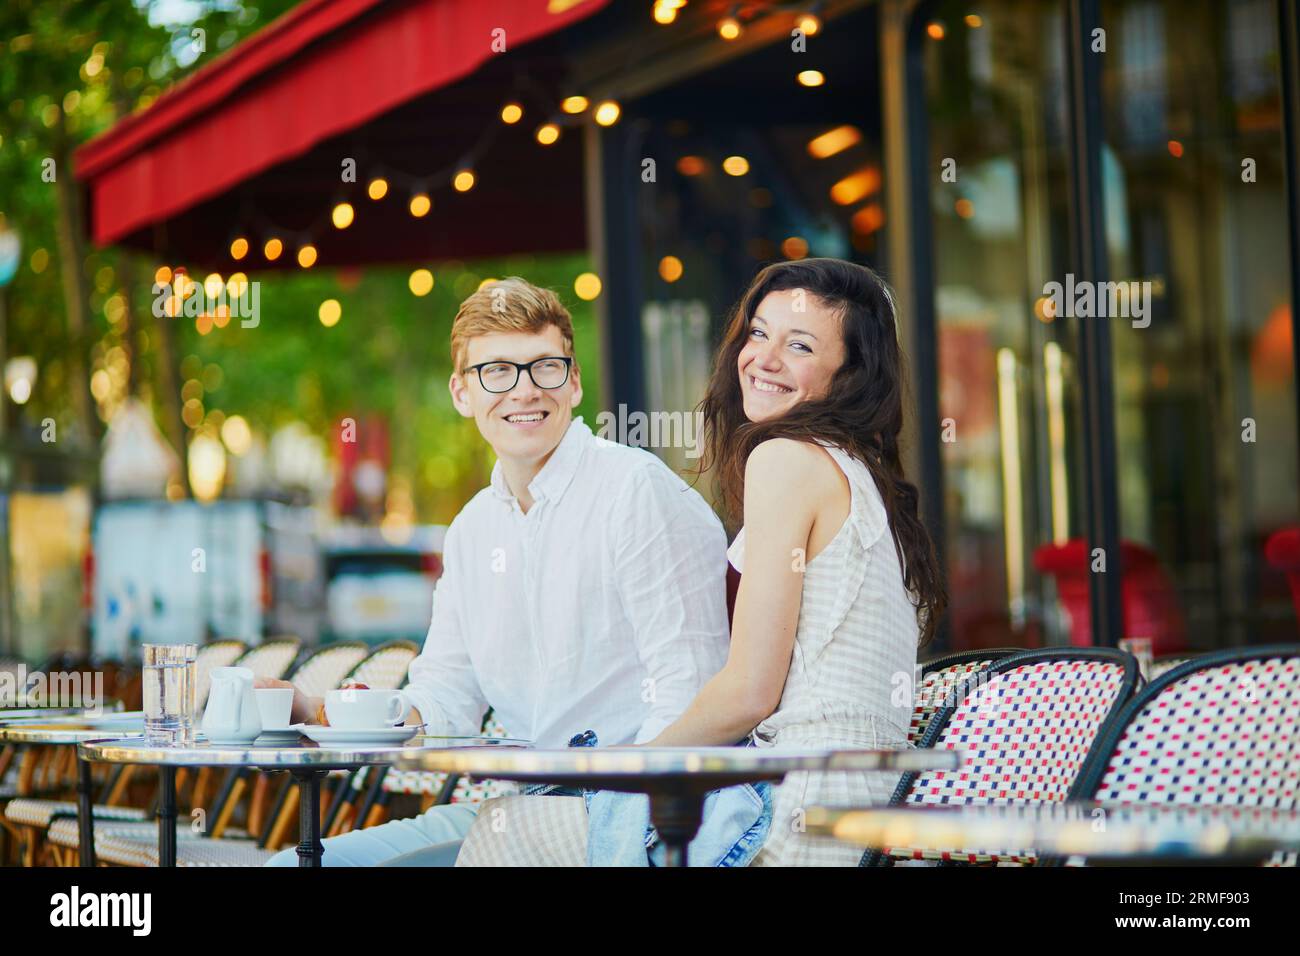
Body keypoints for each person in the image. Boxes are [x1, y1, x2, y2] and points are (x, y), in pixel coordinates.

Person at [455, 257, 946, 866]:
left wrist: (630, 765)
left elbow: (748, 693)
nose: (764, 358)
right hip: (848, 809)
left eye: (799, 345)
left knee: (505, 831)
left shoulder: (787, 460)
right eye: (758, 333)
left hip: (798, 816)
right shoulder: (854, 470)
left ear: (850, 373)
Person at [262, 277, 730, 866]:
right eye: (497, 371)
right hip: (518, 809)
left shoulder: (635, 492)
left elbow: (690, 691)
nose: (525, 390)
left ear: (574, 382)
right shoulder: (472, 530)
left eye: (545, 367)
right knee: (292, 866)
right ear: (462, 392)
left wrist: (625, 826)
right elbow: (445, 698)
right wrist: (323, 711)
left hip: (623, 817)